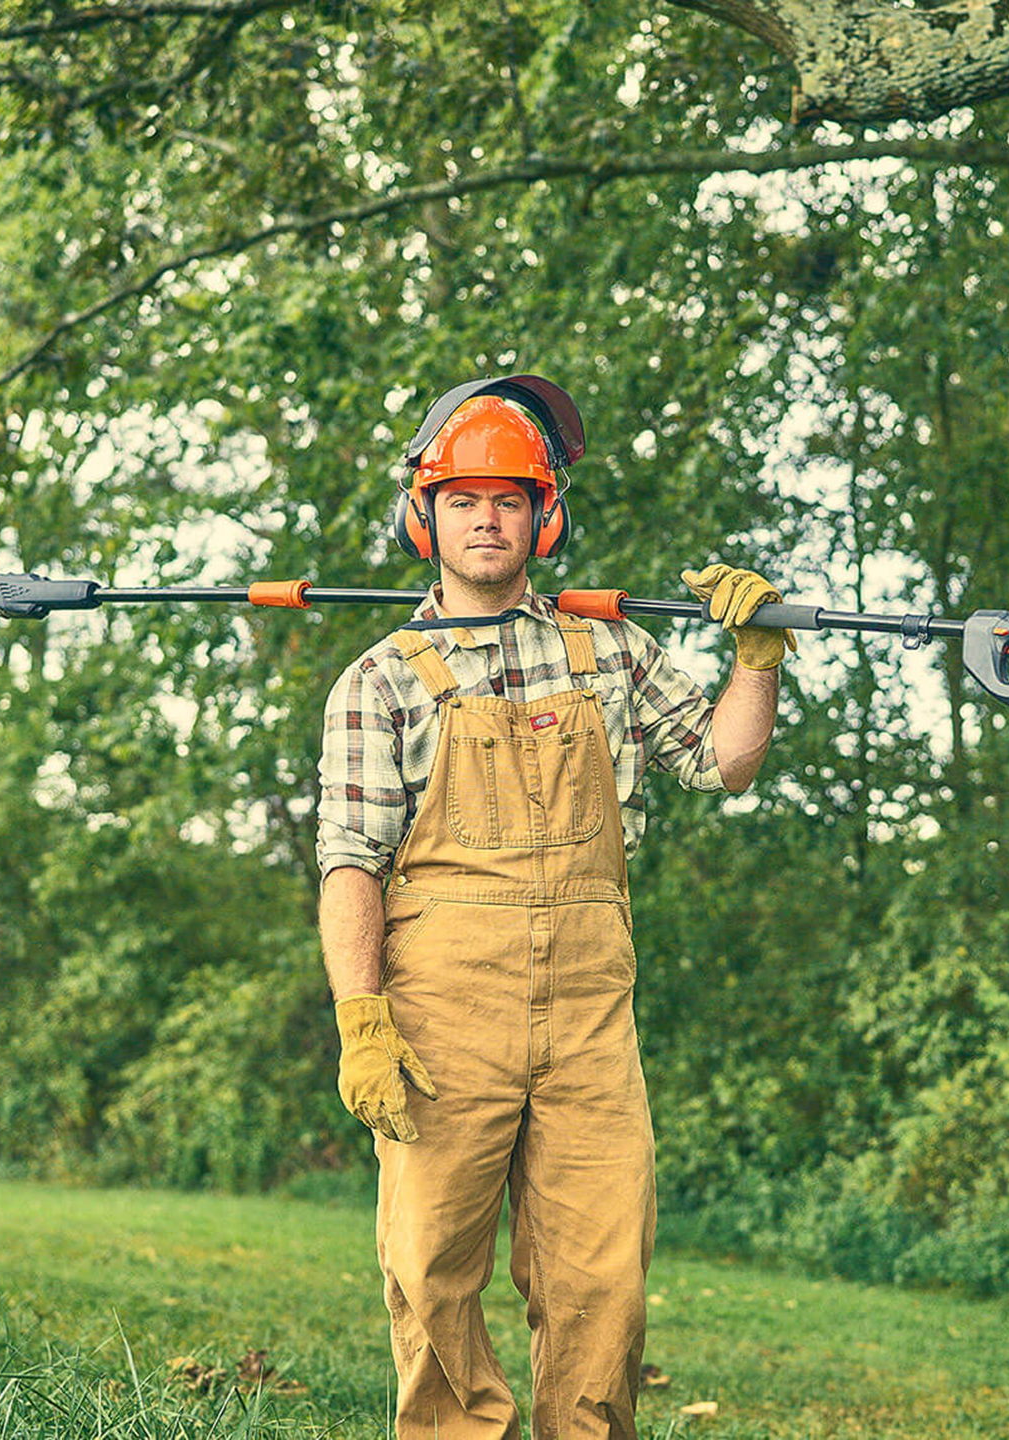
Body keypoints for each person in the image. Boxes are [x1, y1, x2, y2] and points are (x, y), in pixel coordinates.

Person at [315, 375, 790, 1440]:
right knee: (429, 1267)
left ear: (545, 518)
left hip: (587, 1017)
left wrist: (755, 657)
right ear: (425, 519)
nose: (488, 520)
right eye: (465, 500)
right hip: (444, 1016)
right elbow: (351, 863)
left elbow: (724, 763)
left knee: (602, 1280)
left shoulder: (609, 650)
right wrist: (361, 1018)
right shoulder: (381, 681)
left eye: (510, 500)